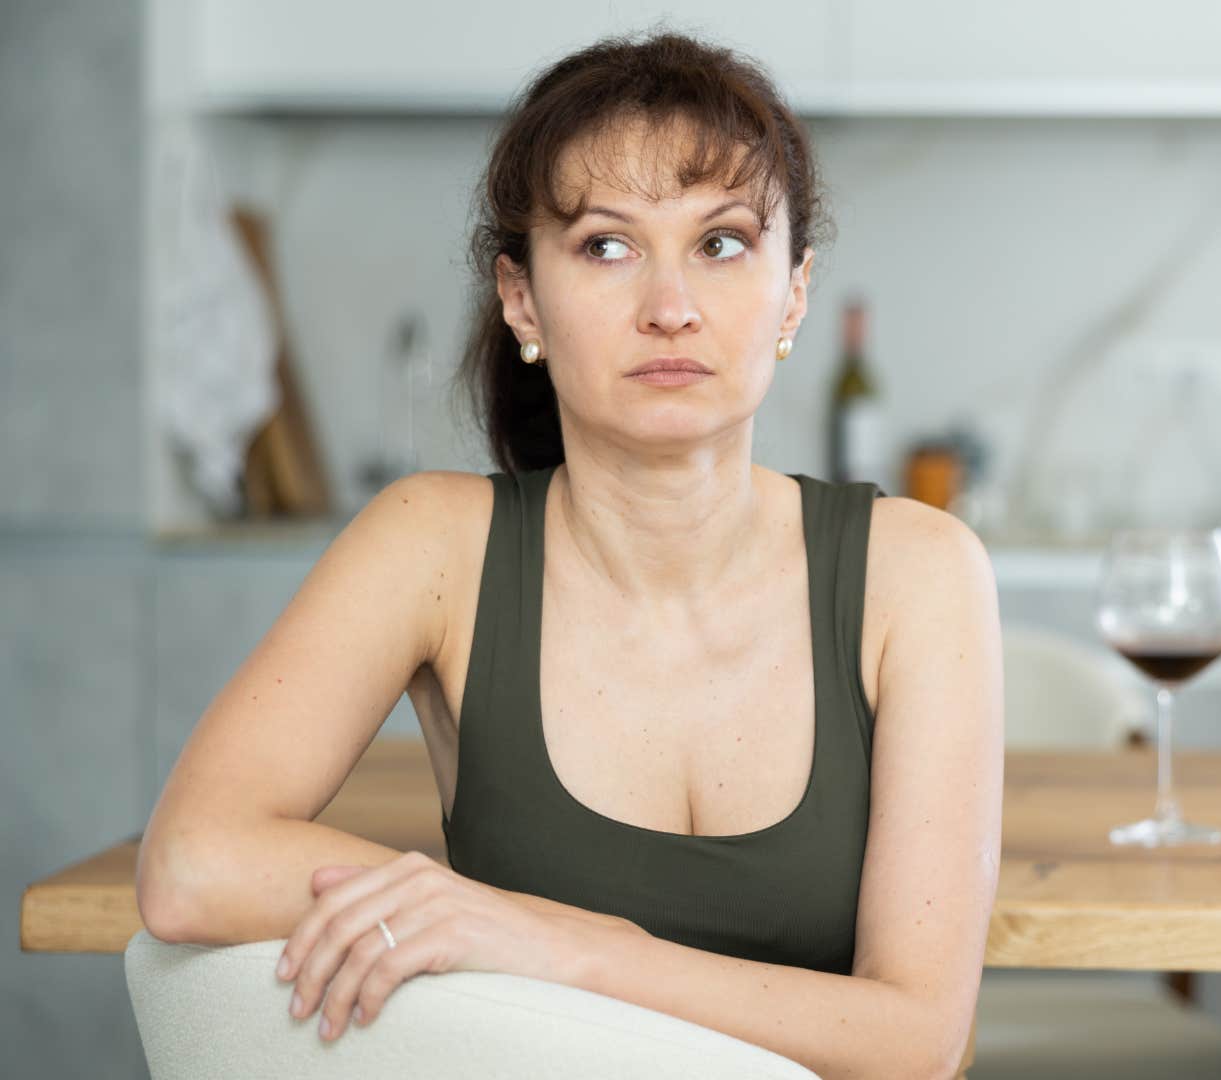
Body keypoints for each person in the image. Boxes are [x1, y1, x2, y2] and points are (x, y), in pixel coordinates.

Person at [135, 32, 1003, 1080]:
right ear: (521, 300)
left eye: (722, 242)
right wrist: (494, 925)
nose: (670, 306)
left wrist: (564, 948)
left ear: (796, 292)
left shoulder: (920, 572)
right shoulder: (431, 545)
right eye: (606, 245)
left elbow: (914, 1042)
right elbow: (190, 864)